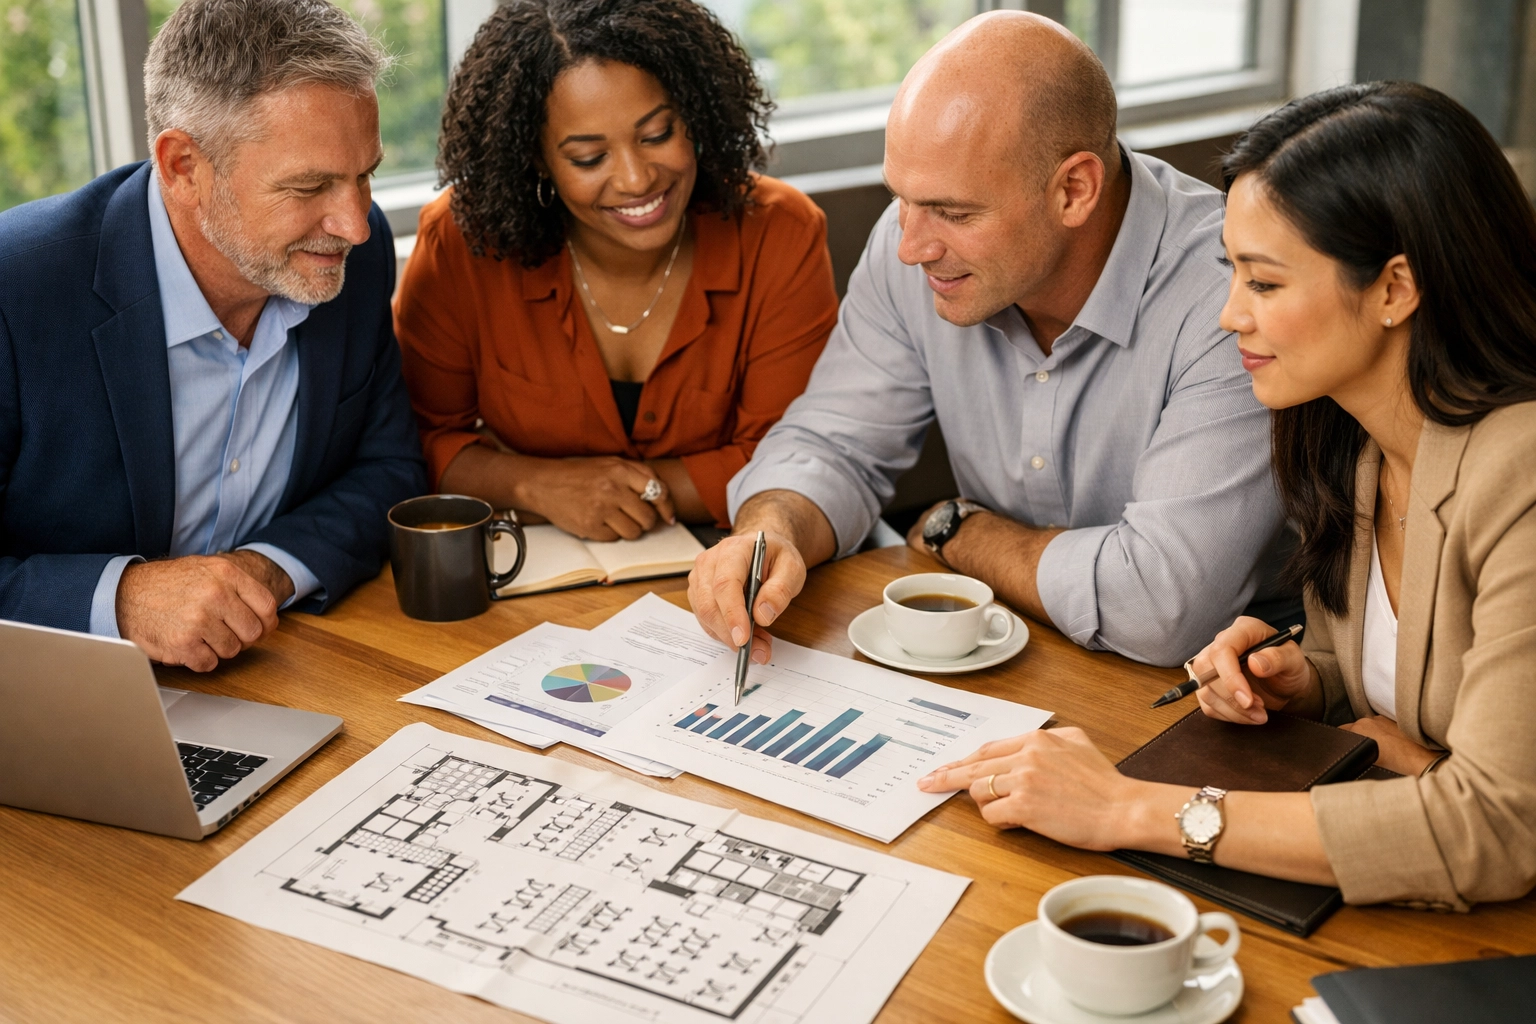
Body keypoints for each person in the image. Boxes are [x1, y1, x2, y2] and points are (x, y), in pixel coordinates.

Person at [918, 82, 1536, 909]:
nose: (1227, 316)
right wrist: (1308, 680)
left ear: (1394, 289)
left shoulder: (1518, 474)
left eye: (1265, 284)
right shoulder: (1351, 439)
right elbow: (1419, 682)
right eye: (1232, 275)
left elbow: (1492, 831)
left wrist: (1128, 808)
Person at [687, 10, 1293, 669]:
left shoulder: (1230, 296)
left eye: (954, 212)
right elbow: (832, 445)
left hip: (1229, 700)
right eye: (902, 199)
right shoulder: (910, 242)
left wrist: (963, 533)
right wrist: (770, 530)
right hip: (1009, 656)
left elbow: (1163, 608)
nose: (912, 246)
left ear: (1075, 188)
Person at [0, 0, 426, 671]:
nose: (355, 224)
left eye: (364, 174)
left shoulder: (351, 261)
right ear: (182, 166)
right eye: (309, 185)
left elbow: (388, 471)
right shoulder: (16, 290)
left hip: (272, 674)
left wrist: (260, 571)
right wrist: (120, 600)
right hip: (52, 708)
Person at [394, 0, 839, 540]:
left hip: (733, 558)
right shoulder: (464, 243)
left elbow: (791, 455)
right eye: (588, 158)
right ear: (536, 159)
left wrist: (625, 495)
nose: (635, 179)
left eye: (657, 135)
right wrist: (537, 486)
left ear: (693, 112)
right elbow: (417, 438)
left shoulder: (780, 233)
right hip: (530, 567)